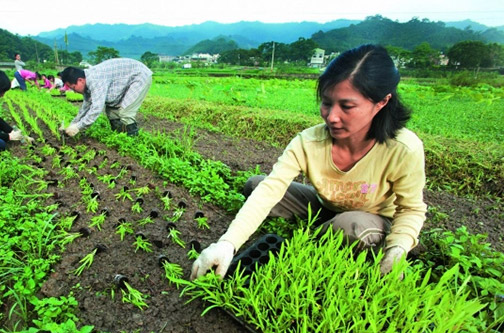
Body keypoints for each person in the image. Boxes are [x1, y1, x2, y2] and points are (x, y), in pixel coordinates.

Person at [190, 44, 427, 280]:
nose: (332, 116)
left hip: (371, 217)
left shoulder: (403, 149)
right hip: (327, 206)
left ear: (381, 102)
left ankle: (333, 233)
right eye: (326, 103)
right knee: (256, 185)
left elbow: (411, 209)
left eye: (347, 106)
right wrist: (227, 243)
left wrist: (398, 249)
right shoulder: (309, 142)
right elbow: (271, 189)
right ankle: (326, 227)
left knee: (349, 226)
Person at [60, 58, 152, 137]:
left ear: (80, 80)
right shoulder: (87, 83)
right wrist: (73, 124)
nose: (74, 91)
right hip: (124, 80)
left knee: (126, 113)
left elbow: (96, 109)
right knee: (112, 111)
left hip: (139, 76)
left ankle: (133, 140)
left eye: (73, 87)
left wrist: (78, 127)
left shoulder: (95, 80)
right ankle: (121, 137)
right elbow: (86, 107)